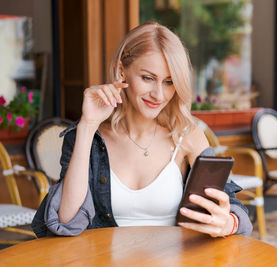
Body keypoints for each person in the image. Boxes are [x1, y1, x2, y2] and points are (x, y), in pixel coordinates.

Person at [32, 21, 252, 238]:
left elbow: (230, 206)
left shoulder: (187, 135)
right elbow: (67, 222)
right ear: (121, 70)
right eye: (148, 78)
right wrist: (88, 126)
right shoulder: (89, 137)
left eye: (169, 82)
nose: (159, 94)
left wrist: (228, 222)